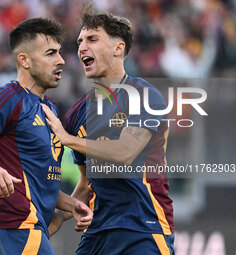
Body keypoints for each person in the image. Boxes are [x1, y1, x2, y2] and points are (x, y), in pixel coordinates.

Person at [0, 18, 92, 255]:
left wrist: (72, 205)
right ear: (24, 60)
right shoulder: (7, 100)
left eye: (60, 53)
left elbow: (38, 182)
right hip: (14, 225)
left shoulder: (50, 109)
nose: (61, 60)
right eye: (50, 53)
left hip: (28, 227)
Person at [43, 6, 175, 255]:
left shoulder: (144, 96)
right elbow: (85, 183)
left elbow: (125, 152)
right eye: (80, 40)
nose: (82, 47)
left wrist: (67, 139)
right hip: (98, 231)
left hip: (143, 228)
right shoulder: (76, 115)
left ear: (119, 48)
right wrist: (61, 215)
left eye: (92, 39)